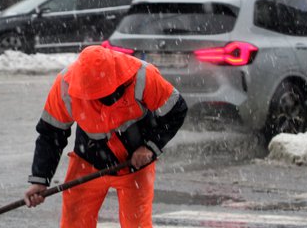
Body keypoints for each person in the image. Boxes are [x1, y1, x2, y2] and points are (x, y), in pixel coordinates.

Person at [23, 45, 187, 228]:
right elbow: (51, 133)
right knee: (74, 224)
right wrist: (40, 179)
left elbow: (176, 110)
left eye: (102, 95)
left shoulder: (142, 75)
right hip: (88, 162)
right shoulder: (64, 86)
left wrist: (150, 147)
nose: (96, 102)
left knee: (136, 224)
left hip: (134, 163)